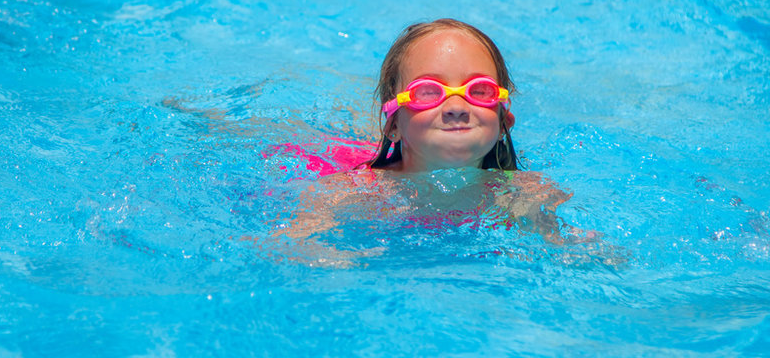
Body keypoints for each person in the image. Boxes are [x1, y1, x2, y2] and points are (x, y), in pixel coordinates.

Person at [250, 18, 611, 267]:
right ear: (392, 125)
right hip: (333, 154)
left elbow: (558, 245)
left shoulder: (525, 192)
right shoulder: (358, 190)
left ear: (504, 123)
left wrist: (580, 250)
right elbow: (290, 241)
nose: (456, 107)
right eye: (428, 92)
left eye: (478, 91)